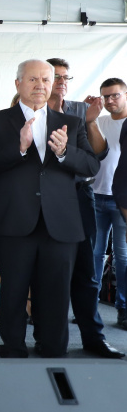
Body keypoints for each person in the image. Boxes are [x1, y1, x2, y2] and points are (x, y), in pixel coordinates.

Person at [0, 59, 100, 359]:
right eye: (33, 79)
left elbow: (91, 165)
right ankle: (13, 348)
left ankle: (53, 347)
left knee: (56, 293)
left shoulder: (71, 123)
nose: (40, 85)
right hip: (14, 221)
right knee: (14, 292)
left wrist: (64, 153)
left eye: (46, 80)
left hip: (60, 224)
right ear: (18, 83)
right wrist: (19, 148)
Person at [45, 58, 122, 358]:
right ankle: (49, 338)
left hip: (79, 195)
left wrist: (91, 121)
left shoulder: (81, 110)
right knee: (51, 272)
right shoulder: (33, 110)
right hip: (46, 198)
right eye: (56, 76)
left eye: (66, 76)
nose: (62, 81)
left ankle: (94, 337)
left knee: (87, 272)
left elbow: (98, 155)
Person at [91, 78, 127, 329]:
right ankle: (88, 306)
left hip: (122, 200)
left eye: (115, 95)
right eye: (106, 97)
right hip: (95, 195)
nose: (109, 100)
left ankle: (123, 308)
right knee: (93, 254)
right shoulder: (99, 122)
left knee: (123, 257)